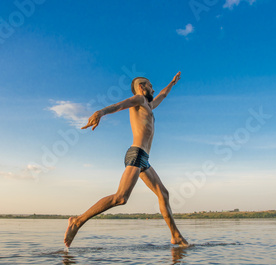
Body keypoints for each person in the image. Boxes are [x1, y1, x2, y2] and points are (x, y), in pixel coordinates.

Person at [64, 72, 188, 248]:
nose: (153, 87)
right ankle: (77, 221)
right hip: (136, 153)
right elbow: (118, 105)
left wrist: (173, 83)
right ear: (141, 87)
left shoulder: (149, 105)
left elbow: (163, 94)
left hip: (144, 159)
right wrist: (100, 112)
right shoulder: (138, 99)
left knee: (164, 194)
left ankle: (176, 236)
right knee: (121, 198)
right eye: (150, 85)